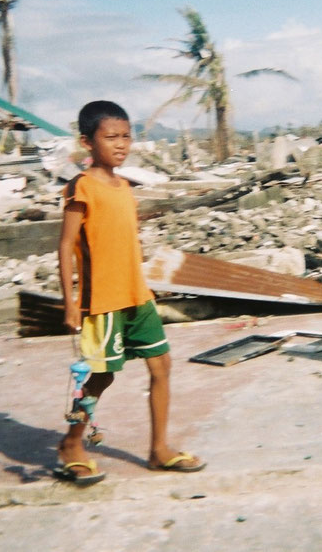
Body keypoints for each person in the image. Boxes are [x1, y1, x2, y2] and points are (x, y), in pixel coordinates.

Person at [55, 100, 205, 486]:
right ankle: (72, 444)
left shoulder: (124, 186)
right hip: (101, 301)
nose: (121, 144)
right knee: (100, 378)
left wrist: (144, 286)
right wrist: (70, 302)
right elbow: (65, 245)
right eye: (111, 137)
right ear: (87, 142)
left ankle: (159, 450)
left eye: (126, 136)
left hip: (136, 296)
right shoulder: (81, 187)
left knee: (162, 365)